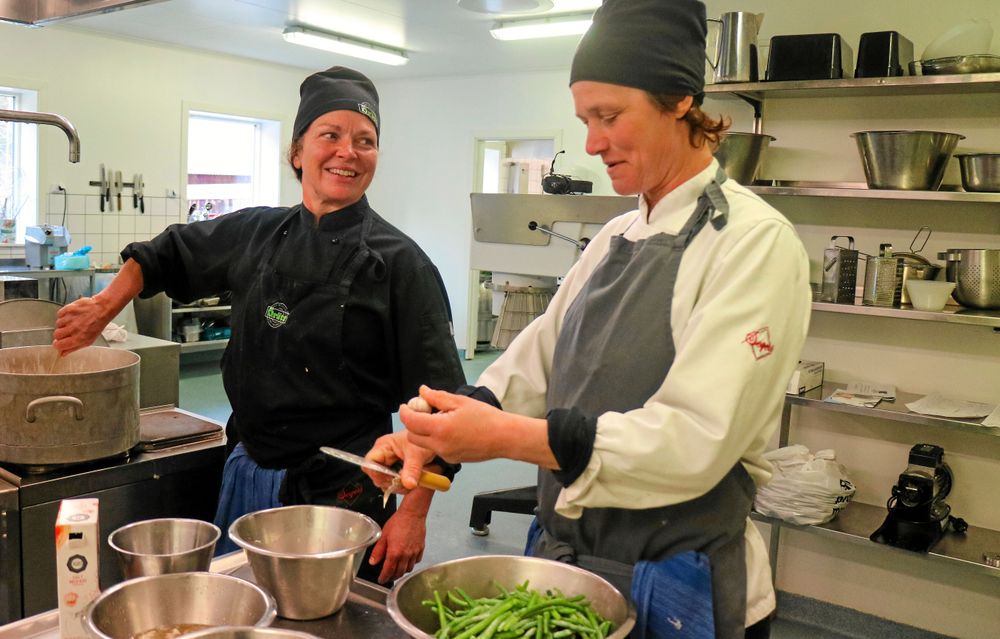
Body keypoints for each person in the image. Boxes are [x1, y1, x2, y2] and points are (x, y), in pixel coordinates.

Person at [365, 1, 811, 636]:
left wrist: (504, 437)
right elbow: (536, 359)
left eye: (610, 116)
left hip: (679, 583)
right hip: (570, 572)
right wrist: (438, 429)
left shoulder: (753, 243)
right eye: (585, 120)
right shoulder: (614, 237)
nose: (593, 144)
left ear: (681, 100)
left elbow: (694, 441)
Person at [52, 66, 466, 585]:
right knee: (245, 605)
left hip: (341, 487)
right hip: (248, 466)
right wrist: (102, 306)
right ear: (297, 153)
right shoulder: (256, 232)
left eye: (366, 141)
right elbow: (166, 253)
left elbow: (444, 404)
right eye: (330, 135)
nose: (348, 152)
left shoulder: (401, 265)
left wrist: (413, 513)